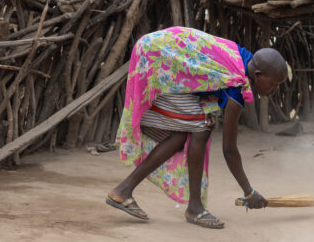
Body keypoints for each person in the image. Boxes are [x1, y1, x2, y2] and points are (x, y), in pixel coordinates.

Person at [106, 26, 288, 229]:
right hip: (157, 58)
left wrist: (208, 111)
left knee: (186, 132)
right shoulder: (237, 83)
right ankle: (194, 208)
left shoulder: (241, 59)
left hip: (157, 51)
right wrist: (249, 192)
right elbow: (229, 150)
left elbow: (204, 77)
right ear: (258, 74)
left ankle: (123, 191)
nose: (275, 89)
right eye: (273, 84)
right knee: (200, 127)